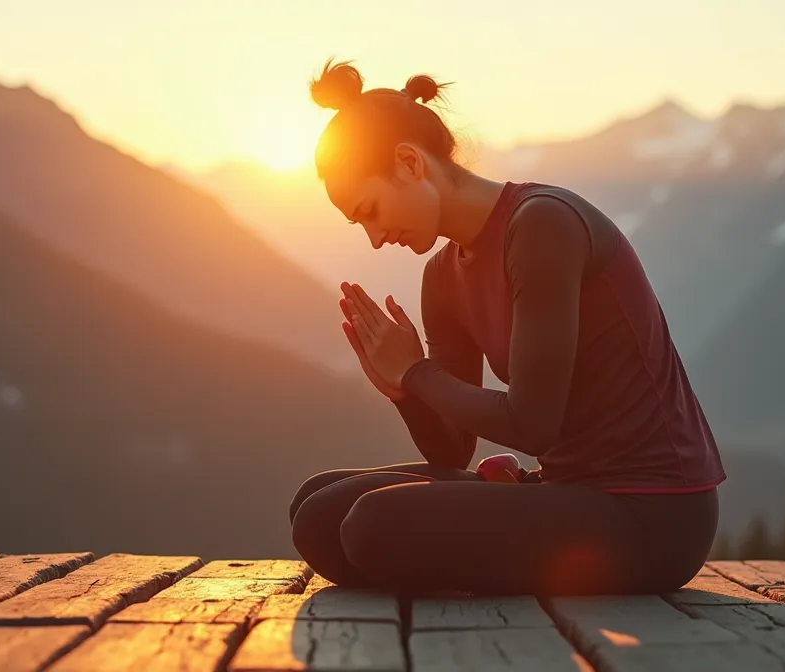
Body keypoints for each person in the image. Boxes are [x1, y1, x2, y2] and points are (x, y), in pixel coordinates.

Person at [289, 59, 725, 596]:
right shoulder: (442, 275)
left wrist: (418, 373)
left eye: (371, 210)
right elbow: (452, 452)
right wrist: (402, 388)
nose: (376, 237)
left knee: (372, 525)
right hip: (566, 493)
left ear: (408, 163)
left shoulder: (542, 224)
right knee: (317, 510)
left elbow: (533, 425)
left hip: (654, 514)